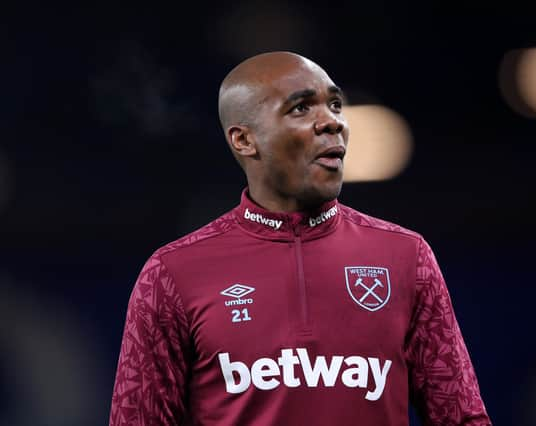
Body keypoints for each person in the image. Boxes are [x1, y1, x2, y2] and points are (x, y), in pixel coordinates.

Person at [109, 51, 492, 425]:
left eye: (336, 105)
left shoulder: (405, 256)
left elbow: (461, 417)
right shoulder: (173, 273)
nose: (333, 122)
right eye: (301, 108)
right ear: (244, 140)